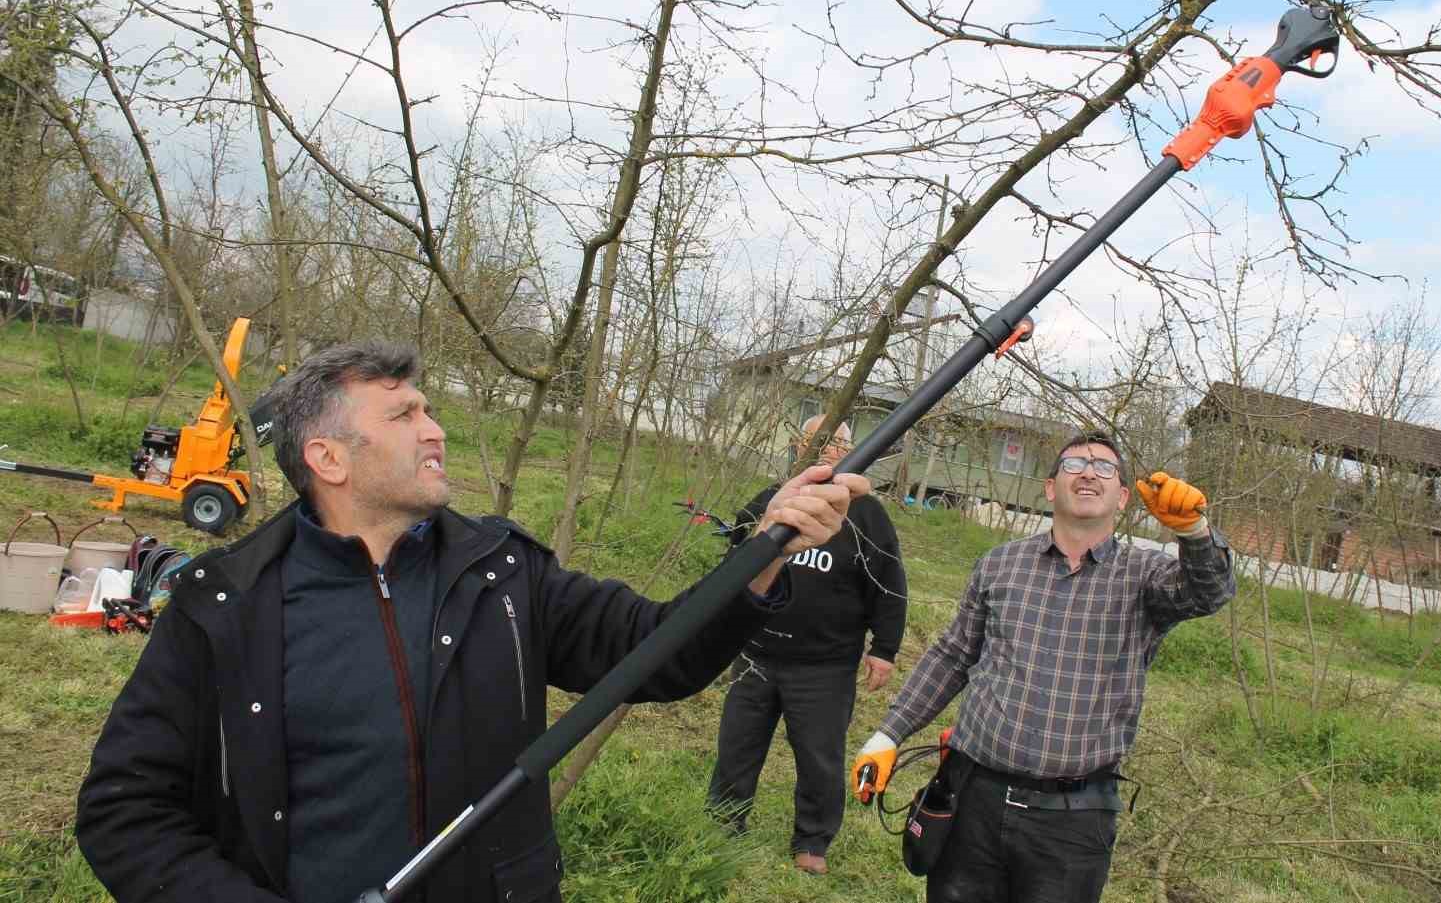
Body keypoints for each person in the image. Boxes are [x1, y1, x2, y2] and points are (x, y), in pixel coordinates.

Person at [75, 341, 868, 903]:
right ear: (328, 458)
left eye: (428, 408)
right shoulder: (225, 603)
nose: (436, 429)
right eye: (403, 415)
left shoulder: (503, 572)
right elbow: (123, 810)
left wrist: (764, 552)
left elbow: (656, 650)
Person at [852, 431, 1236, 903]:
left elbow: (1209, 593)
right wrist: (888, 735)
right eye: (1074, 465)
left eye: (1104, 468)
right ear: (1051, 488)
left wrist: (1195, 534)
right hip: (973, 798)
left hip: (1072, 822)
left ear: (1122, 497)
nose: (1089, 473)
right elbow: (952, 655)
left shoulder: (1147, 576)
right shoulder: (1000, 565)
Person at [706, 415, 908, 876]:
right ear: (799, 447)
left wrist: (885, 648)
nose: (827, 450)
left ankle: (813, 841)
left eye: (837, 444)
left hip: (825, 665)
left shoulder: (866, 515)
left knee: (820, 758)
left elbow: (889, 583)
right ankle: (723, 821)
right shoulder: (772, 500)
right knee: (737, 747)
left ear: (850, 452)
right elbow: (735, 563)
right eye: (817, 441)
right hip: (756, 655)